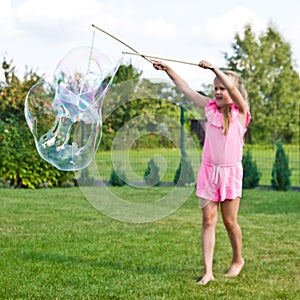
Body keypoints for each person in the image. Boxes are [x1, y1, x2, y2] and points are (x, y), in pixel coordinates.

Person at [152, 59, 251, 285]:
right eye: (215, 88)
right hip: (209, 172)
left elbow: (235, 91)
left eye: (222, 88)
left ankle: (238, 260)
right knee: (208, 220)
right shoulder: (209, 108)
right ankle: (208, 271)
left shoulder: (241, 112)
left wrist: (215, 69)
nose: (217, 91)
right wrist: (168, 69)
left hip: (230, 173)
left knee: (230, 222)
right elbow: (185, 88)